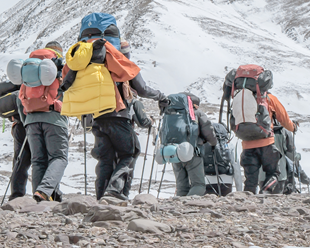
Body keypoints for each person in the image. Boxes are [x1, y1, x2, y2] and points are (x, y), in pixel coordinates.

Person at [88, 39, 165, 201]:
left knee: (105, 158)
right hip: (119, 116)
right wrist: (160, 96)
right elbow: (143, 90)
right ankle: (115, 190)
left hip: (97, 118)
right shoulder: (124, 66)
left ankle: (101, 196)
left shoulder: (95, 67)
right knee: (130, 152)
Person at [22, 41, 69, 203]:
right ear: (58, 53)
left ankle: (39, 200)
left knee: (38, 160)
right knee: (59, 157)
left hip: (31, 119)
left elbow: (21, 94)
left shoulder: (30, 67)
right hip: (54, 117)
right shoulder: (59, 66)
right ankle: (43, 192)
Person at [239, 92, 296, 195]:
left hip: (247, 144)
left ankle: (246, 203)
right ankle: (265, 192)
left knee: (250, 179)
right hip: (266, 143)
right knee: (274, 173)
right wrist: (293, 127)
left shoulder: (242, 98)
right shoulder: (269, 98)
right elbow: (284, 119)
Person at [172, 95, 219, 197]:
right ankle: (188, 205)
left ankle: (179, 208)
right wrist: (213, 143)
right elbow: (208, 131)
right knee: (199, 185)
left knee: (181, 186)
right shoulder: (197, 113)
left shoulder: (172, 114)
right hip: (192, 151)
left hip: (174, 152)